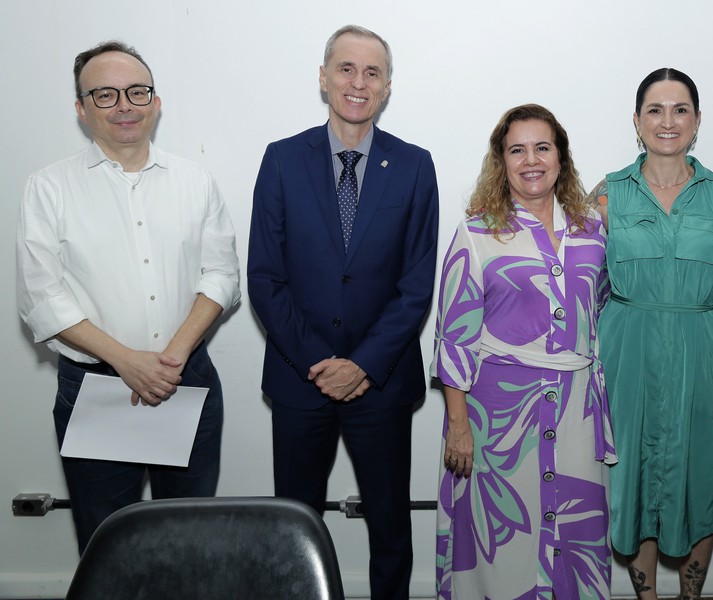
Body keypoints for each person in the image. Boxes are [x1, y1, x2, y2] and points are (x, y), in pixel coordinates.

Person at [15, 40, 240, 554]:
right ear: (81, 109)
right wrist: (126, 361)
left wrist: (173, 354)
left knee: (188, 540)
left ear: (156, 102)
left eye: (137, 91)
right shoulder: (48, 188)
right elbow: (41, 297)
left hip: (186, 378)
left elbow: (222, 274)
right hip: (96, 391)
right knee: (107, 545)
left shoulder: (195, 180)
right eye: (105, 94)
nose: (124, 105)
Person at [247, 25, 439, 599]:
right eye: (347, 69)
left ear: (386, 87)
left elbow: (416, 285)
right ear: (324, 77)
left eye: (372, 72)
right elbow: (264, 277)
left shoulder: (414, 165)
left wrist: (361, 365)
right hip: (299, 379)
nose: (359, 83)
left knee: (389, 523)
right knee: (296, 523)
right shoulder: (281, 160)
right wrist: (320, 362)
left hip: (380, 383)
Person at [432, 104, 616, 599]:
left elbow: (592, 314)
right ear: (501, 161)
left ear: (561, 157)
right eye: (517, 150)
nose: (530, 160)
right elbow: (453, 337)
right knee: (503, 541)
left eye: (542, 147)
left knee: (577, 535)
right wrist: (457, 424)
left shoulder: (592, 232)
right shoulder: (476, 233)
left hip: (577, 413)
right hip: (499, 419)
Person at [587, 68, 713, 600]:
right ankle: (647, 597)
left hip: (703, 359)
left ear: (697, 121)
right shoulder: (605, 197)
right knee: (634, 481)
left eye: (680, 109)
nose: (667, 121)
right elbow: (577, 293)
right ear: (636, 121)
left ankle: (690, 596)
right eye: (655, 110)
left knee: (704, 476)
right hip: (626, 360)